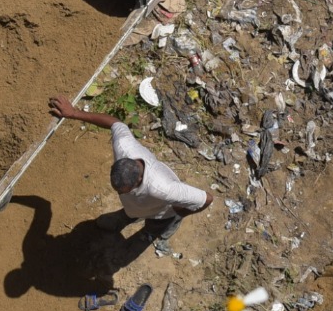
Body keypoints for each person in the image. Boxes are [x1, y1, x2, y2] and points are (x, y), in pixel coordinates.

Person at [48, 95, 211, 252]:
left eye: (123, 191)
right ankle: (125, 217)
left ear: (139, 179)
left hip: (160, 212)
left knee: (157, 226)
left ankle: (158, 232)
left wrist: (179, 212)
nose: (118, 193)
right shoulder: (124, 148)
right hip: (136, 206)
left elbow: (206, 199)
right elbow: (115, 123)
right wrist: (74, 113)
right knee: (131, 210)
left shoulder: (164, 189)